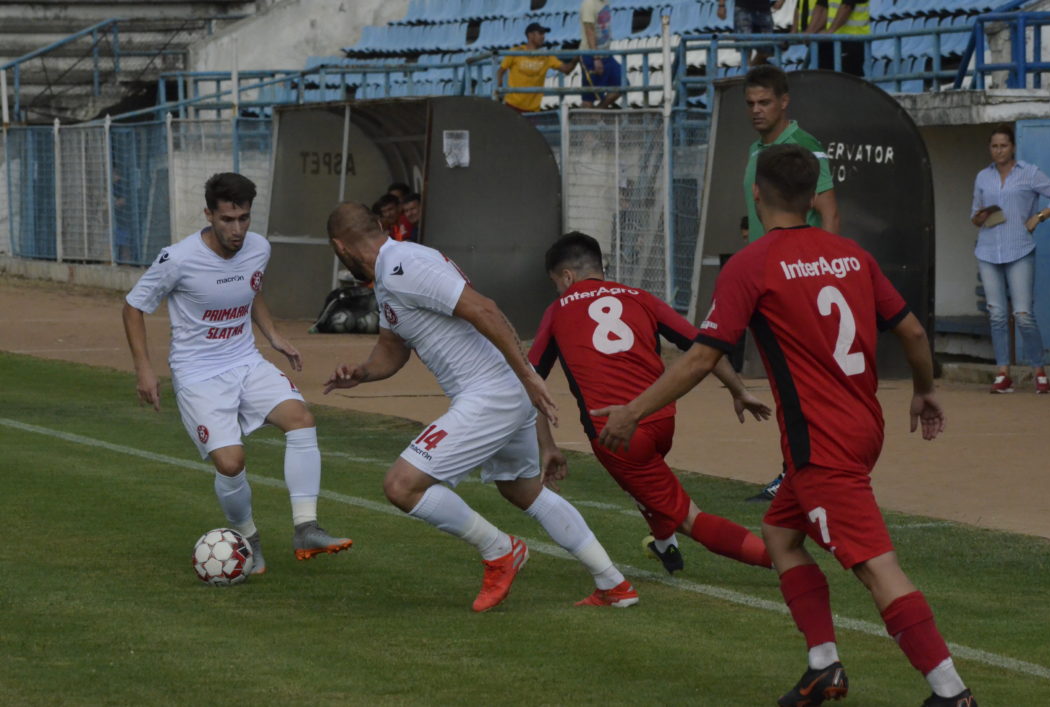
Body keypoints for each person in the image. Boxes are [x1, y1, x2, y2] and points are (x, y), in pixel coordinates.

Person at [593, 145, 977, 707]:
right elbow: (915, 334)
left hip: (820, 441)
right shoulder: (852, 255)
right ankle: (823, 666)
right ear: (812, 197)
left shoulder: (753, 263)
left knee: (876, 567)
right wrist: (923, 391)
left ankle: (951, 692)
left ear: (756, 191)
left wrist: (632, 411)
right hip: (861, 425)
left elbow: (701, 357)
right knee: (779, 535)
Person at [323, 202, 638, 611]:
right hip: (497, 393)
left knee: (401, 485)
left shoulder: (405, 264)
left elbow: (484, 308)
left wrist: (527, 375)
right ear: (380, 225)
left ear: (339, 247)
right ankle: (613, 583)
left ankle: (500, 550)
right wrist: (362, 373)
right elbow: (392, 347)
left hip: (491, 393)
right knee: (522, 488)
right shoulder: (389, 275)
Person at [121, 173, 351, 575]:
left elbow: (252, 287)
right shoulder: (177, 259)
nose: (238, 229)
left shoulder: (259, 248)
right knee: (230, 463)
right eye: (228, 219)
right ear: (209, 214)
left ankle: (306, 528)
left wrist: (274, 335)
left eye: (244, 218)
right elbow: (133, 307)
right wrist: (145, 369)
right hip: (198, 375)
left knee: (301, 419)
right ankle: (249, 539)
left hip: (245, 361)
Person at [529, 231, 774, 575]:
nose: (558, 289)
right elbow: (703, 345)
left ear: (567, 276)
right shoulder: (640, 297)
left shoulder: (557, 311)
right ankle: (664, 546)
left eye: (557, 282)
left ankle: (783, 561)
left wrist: (547, 444)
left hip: (616, 432)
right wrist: (738, 390)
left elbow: (529, 381)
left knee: (689, 517)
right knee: (649, 484)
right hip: (661, 419)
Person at [743, 63, 839, 502]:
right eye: (751, 103)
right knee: (786, 384)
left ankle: (799, 473)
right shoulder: (755, 150)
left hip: (795, 283)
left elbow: (831, 213)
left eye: (765, 102)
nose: (757, 110)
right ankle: (799, 470)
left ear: (785, 102)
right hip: (768, 281)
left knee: (799, 384)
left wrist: (821, 273)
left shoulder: (803, 147)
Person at [971, 123, 1050, 395]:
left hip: (1020, 248)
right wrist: (980, 216)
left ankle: (1038, 370)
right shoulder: (982, 177)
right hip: (988, 249)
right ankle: (1003, 373)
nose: (998, 150)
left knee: (1023, 314)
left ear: (1012, 147)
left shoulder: (1029, 173)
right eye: (994, 146)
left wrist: (1039, 217)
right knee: (997, 314)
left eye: (1003, 145)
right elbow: (974, 213)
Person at [496, 22, 577, 113]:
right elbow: (500, 71)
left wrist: (576, 58)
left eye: (544, 34)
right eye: (540, 33)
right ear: (530, 35)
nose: (543, 37)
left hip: (533, 109)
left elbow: (566, 69)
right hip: (512, 105)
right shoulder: (515, 52)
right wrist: (499, 88)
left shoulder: (546, 56)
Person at [579, 0, 622, 109]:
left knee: (622, 83)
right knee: (589, 97)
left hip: (606, 54)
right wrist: (596, 57)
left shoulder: (605, 2)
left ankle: (599, 111)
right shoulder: (589, 4)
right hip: (591, 55)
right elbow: (589, 30)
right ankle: (585, 123)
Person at [809, 0, 870, 77]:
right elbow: (823, 7)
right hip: (832, 41)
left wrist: (829, 32)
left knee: (848, 81)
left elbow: (846, 7)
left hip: (852, 40)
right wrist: (811, 32)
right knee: (826, 79)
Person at [718, 0, 785, 66]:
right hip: (743, 8)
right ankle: (748, 72)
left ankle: (751, 71)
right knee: (745, 48)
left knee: (766, 50)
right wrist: (721, 5)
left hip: (764, 9)